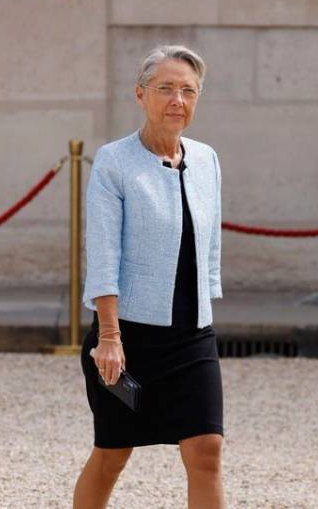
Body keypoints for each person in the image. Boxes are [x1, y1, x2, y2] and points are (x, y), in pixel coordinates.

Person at [73, 45, 225, 509]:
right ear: (141, 94)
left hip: (192, 336)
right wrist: (109, 337)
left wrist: (208, 299)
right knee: (112, 454)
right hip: (128, 337)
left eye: (188, 90)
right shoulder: (114, 162)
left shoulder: (206, 159)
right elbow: (103, 254)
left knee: (207, 451)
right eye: (166, 88)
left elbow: (210, 244)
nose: (178, 100)